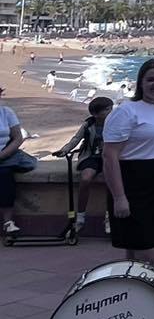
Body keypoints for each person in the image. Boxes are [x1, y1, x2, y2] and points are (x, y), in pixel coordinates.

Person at [101, 59, 154, 264]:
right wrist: (119, 197)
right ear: (141, 83)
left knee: (138, 248)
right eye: (151, 79)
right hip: (133, 183)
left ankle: (134, 292)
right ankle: (147, 292)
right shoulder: (126, 111)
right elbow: (109, 156)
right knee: (147, 252)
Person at [53, 95, 113, 233]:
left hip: (109, 157)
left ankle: (109, 217)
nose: (111, 112)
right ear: (96, 114)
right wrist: (65, 150)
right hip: (90, 156)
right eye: (108, 110)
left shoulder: (115, 123)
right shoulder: (88, 124)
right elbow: (76, 139)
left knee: (111, 180)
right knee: (86, 179)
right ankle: (80, 216)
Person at [1, 94, 32, 236]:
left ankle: (8, 222)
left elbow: (17, 138)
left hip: (4, 156)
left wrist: (2, 155)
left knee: (5, 176)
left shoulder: (6, 112)